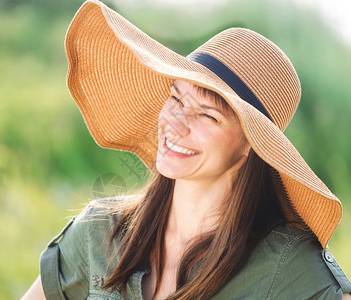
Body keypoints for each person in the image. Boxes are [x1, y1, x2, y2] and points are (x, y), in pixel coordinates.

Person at [22, 0, 351, 299]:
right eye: (176, 98)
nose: (175, 123)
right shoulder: (99, 232)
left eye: (208, 116)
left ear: (251, 145)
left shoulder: (289, 273)